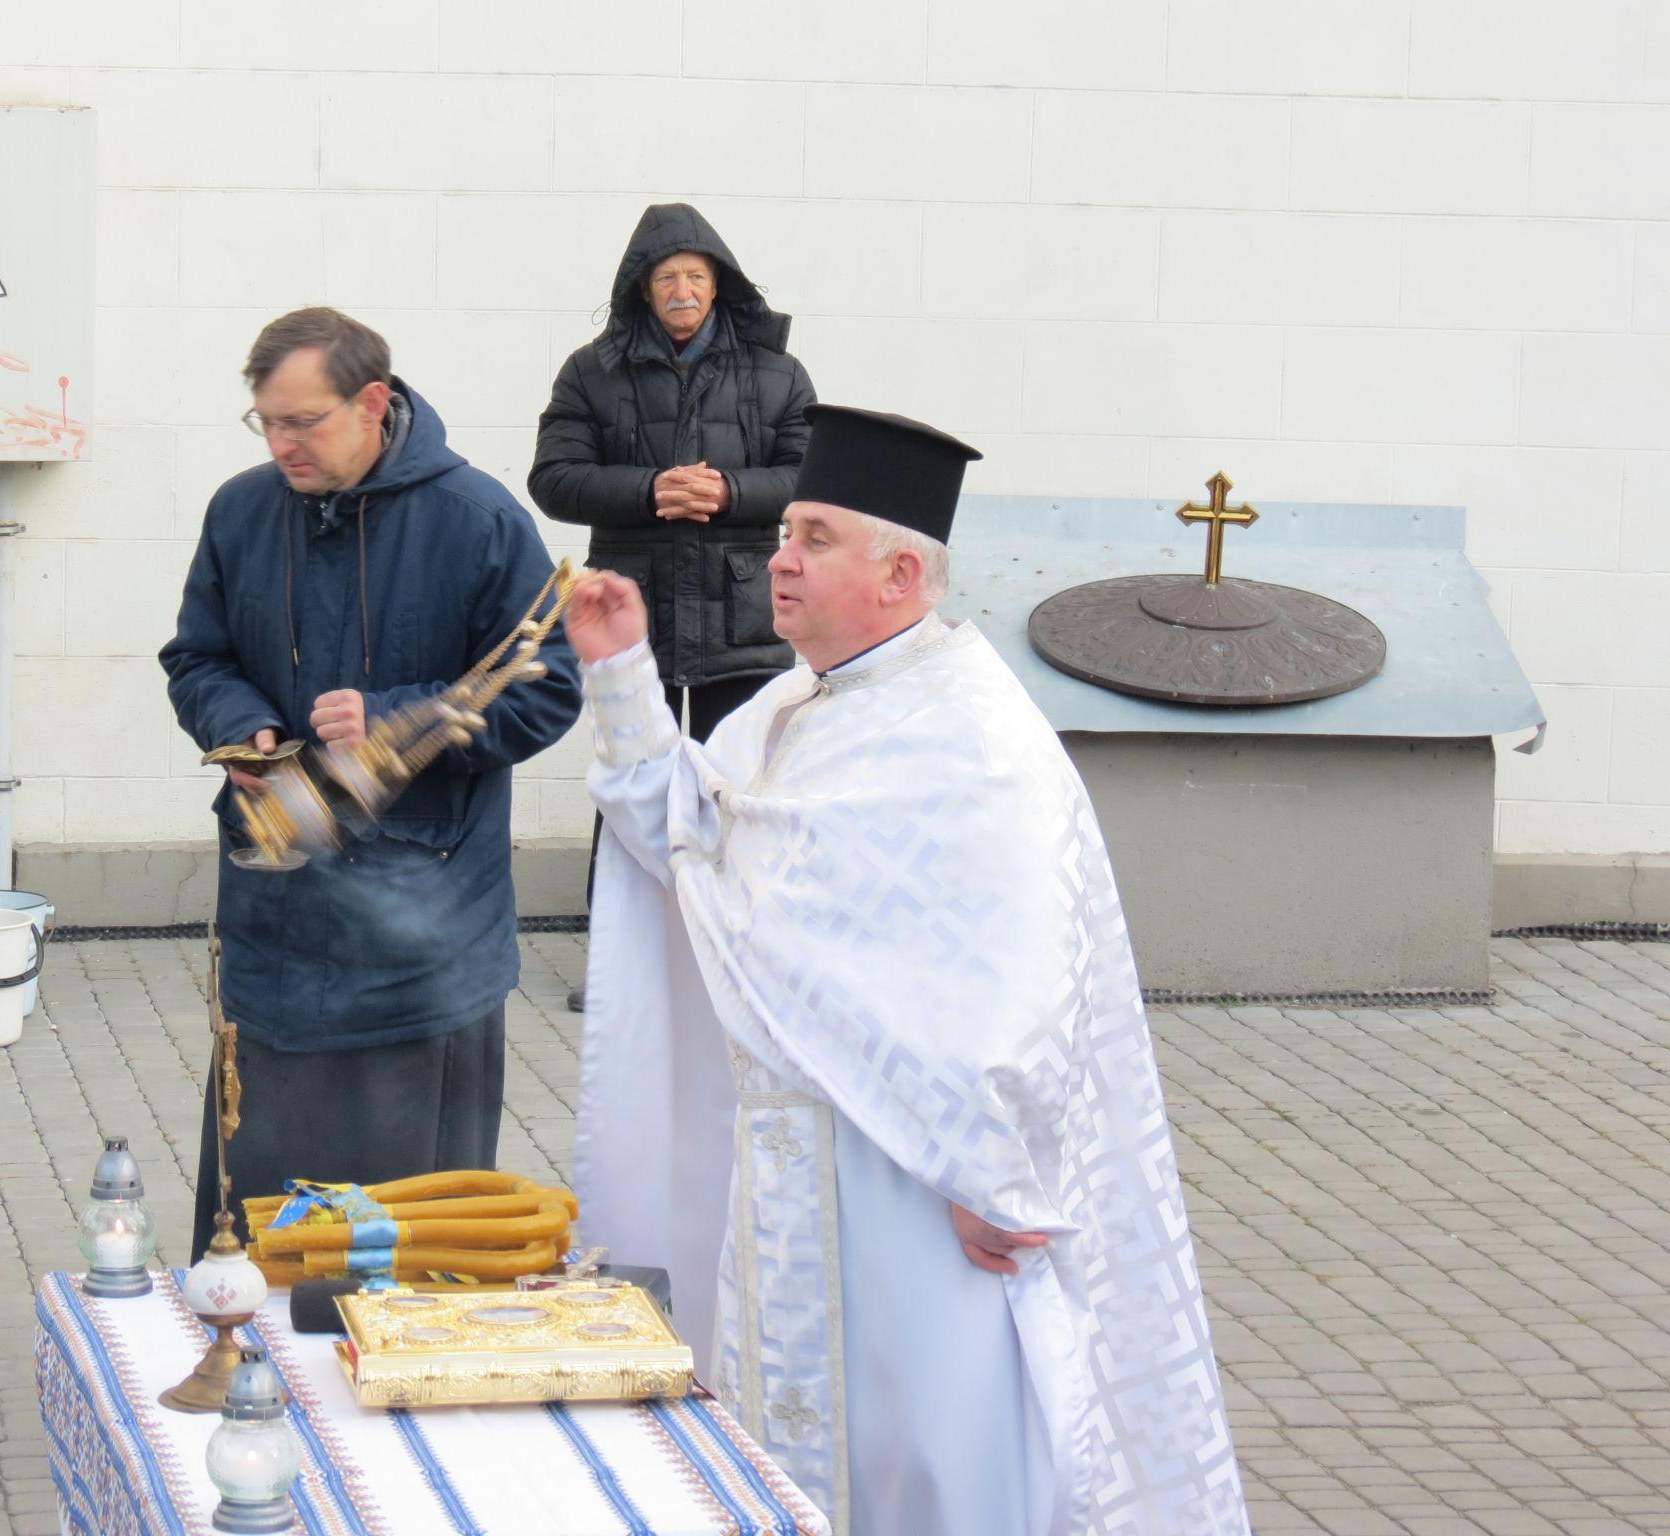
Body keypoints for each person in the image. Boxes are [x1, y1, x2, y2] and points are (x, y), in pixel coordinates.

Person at [565, 405, 1248, 1535]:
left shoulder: (977, 738)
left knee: (930, 1465)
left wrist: (995, 1174)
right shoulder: (789, 708)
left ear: (899, 573)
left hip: (918, 1192)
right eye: (784, 533)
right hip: (787, 1180)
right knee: (789, 1457)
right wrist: (621, 676)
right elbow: (686, 840)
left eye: (813, 538)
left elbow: (1028, 975)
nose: (777, 559)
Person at [161, 307, 581, 1262]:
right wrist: (242, 726)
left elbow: (549, 688)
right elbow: (198, 656)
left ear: (374, 404)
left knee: (401, 1244)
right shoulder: (240, 510)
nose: (280, 444)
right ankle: (250, 1368)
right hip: (278, 921)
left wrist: (403, 719)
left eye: (301, 422)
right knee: (262, 1233)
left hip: (421, 945)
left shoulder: (475, 520)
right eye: (265, 422)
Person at [530, 203, 816, 1008]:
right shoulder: (593, 370)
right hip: (637, 613)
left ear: (718, 284)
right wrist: (651, 490)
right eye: (667, 278)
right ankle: (622, 964)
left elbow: (809, 476)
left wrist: (727, 491)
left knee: (743, 786)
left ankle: (744, 954)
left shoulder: (776, 374)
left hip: (743, 612)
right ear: (642, 291)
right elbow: (553, 477)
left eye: (696, 275)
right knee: (634, 784)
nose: (683, 290)